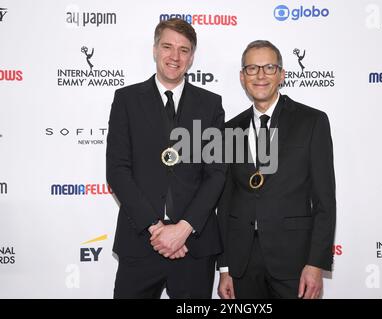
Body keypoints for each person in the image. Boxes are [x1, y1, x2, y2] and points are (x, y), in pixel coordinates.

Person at [106, 18, 226, 299]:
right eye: (168, 47)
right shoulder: (126, 100)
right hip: (140, 242)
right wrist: (156, 228)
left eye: (184, 50)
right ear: (155, 49)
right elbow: (117, 170)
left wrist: (183, 229)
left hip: (194, 246)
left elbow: (217, 173)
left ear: (192, 56)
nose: (175, 56)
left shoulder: (211, 105)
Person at [217, 40, 336, 299]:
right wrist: (225, 267)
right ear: (242, 76)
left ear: (281, 74)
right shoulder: (229, 130)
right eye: (252, 68)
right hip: (241, 264)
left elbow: (325, 201)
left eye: (269, 67)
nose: (260, 75)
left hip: (294, 261)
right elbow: (225, 203)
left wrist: (316, 264)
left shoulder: (312, 122)